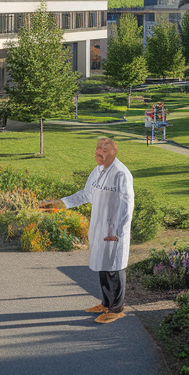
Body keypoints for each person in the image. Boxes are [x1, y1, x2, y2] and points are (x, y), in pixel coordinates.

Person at [45, 138, 134, 324]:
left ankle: (116, 309)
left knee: (114, 270)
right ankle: (106, 303)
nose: (99, 152)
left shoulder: (121, 174)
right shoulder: (98, 171)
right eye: (97, 148)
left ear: (113, 152)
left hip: (114, 231)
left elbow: (127, 206)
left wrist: (118, 232)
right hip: (99, 228)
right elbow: (86, 194)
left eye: (104, 149)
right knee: (103, 267)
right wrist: (62, 203)